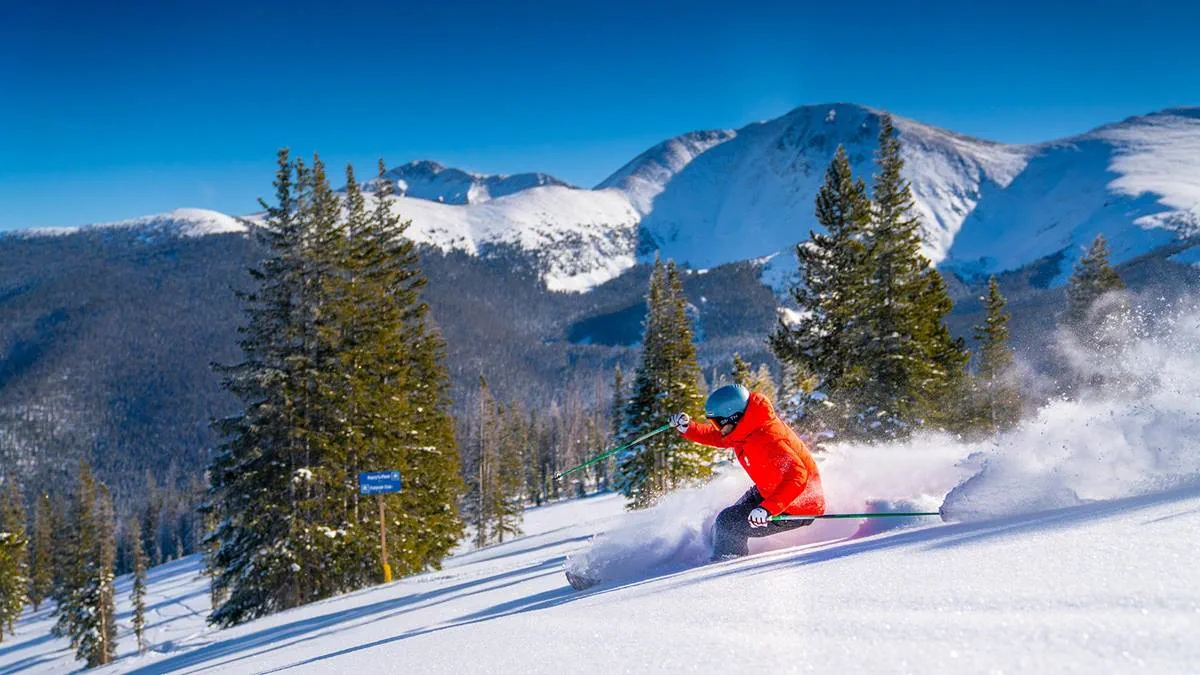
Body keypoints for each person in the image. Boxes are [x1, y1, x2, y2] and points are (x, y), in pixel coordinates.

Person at [670, 383, 825, 560]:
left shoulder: (770, 440)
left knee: (729, 524)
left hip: (796, 505)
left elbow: (797, 476)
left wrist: (768, 509)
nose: (717, 428)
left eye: (717, 423)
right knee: (723, 523)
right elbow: (719, 437)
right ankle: (716, 547)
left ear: (733, 418)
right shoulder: (746, 428)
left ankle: (727, 568)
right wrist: (689, 428)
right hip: (770, 491)